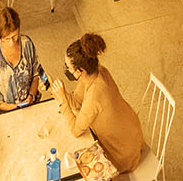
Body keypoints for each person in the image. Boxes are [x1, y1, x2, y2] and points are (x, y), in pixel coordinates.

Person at [52, 33, 143, 174]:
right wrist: (56, 90)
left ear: (79, 71)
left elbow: (76, 131)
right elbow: (76, 102)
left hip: (123, 150)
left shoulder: (95, 95)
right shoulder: (96, 72)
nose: (66, 69)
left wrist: (63, 101)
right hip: (131, 130)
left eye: (68, 67)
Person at [0, 6, 44, 114]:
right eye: (7, 39)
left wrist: (31, 95)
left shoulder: (27, 44)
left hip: (26, 108)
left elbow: (36, 75)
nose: (12, 42)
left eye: (15, 36)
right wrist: (4, 106)